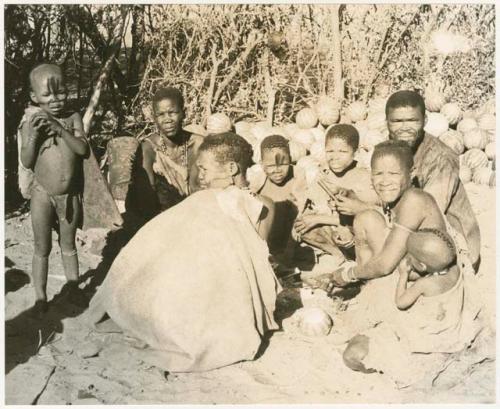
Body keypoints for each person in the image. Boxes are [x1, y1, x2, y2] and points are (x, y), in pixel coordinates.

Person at [87, 133, 280, 372]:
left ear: (231, 168)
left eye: (204, 169)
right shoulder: (262, 205)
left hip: (205, 292)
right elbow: (260, 261)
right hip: (221, 297)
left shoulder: (211, 201)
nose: (200, 177)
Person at [342, 227, 481, 387]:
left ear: (421, 266)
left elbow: (401, 302)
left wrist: (403, 275)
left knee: (352, 355)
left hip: (424, 336)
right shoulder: (455, 268)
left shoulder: (425, 284)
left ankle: (377, 368)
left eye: (410, 255)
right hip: (450, 327)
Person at [19, 63, 88, 315]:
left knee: (68, 245)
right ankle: (40, 296)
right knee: (42, 247)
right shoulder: (32, 122)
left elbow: (82, 150)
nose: (56, 100)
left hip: (68, 196)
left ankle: (73, 287)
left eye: (60, 93)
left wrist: (60, 128)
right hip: (42, 196)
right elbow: (26, 161)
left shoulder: (72, 118)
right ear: (34, 97)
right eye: (47, 95)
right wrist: (34, 137)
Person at [385, 90, 480, 269]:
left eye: (412, 120)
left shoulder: (441, 158)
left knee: (389, 262)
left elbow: (426, 215)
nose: (405, 128)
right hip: (407, 225)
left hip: (445, 239)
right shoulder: (388, 150)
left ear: (425, 121)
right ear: (387, 123)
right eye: (397, 121)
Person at [295, 124, 380, 260]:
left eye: (342, 152)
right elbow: (312, 206)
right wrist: (307, 218)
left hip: (355, 230)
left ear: (356, 152)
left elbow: (367, 216)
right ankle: (337, 254)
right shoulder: (322, 176)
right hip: (332, 229)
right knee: (302, 226)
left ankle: (356, 257)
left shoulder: (363, 177)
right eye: (330, 151)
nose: (335, 157)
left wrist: (318, 219)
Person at [128, 87, 204, 222]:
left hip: (197, 214)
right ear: (155, 118)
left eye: (172, 112)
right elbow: (147, 198)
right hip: (162, 218)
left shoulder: (198, 144)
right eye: (161, 114)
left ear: (183, 113)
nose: (167, 119)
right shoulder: (149, 149)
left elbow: (201, 189)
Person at [249, 134, 307, 260]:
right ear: (262, 164)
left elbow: (301, 213)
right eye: (270, 166)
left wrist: (289, 251)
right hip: (266, 241)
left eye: (283, 164)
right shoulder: (258, 182)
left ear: (290, 160)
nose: (277, 171)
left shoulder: (298, 178)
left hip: (291, 241)